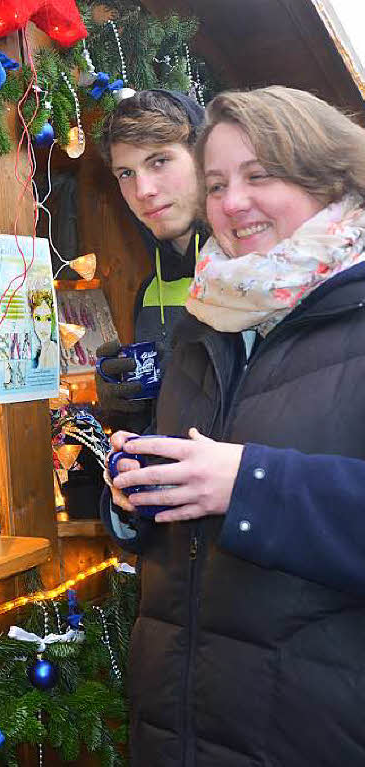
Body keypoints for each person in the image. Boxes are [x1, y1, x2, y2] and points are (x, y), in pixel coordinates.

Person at [107, 86, 365, 764]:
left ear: (329, 174)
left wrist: (249, 484)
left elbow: (240, 486)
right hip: (182, 726)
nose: (231, 202)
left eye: (260, 175)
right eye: (217, 183)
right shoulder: (205, 321)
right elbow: (186, 529)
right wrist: (137, 498)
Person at [95, 91, 207, 430]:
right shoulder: (151, 288)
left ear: (204, 158)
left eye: (159, 161)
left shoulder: (262, 273)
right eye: (126, 173)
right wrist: (128, 408)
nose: (143, 190)